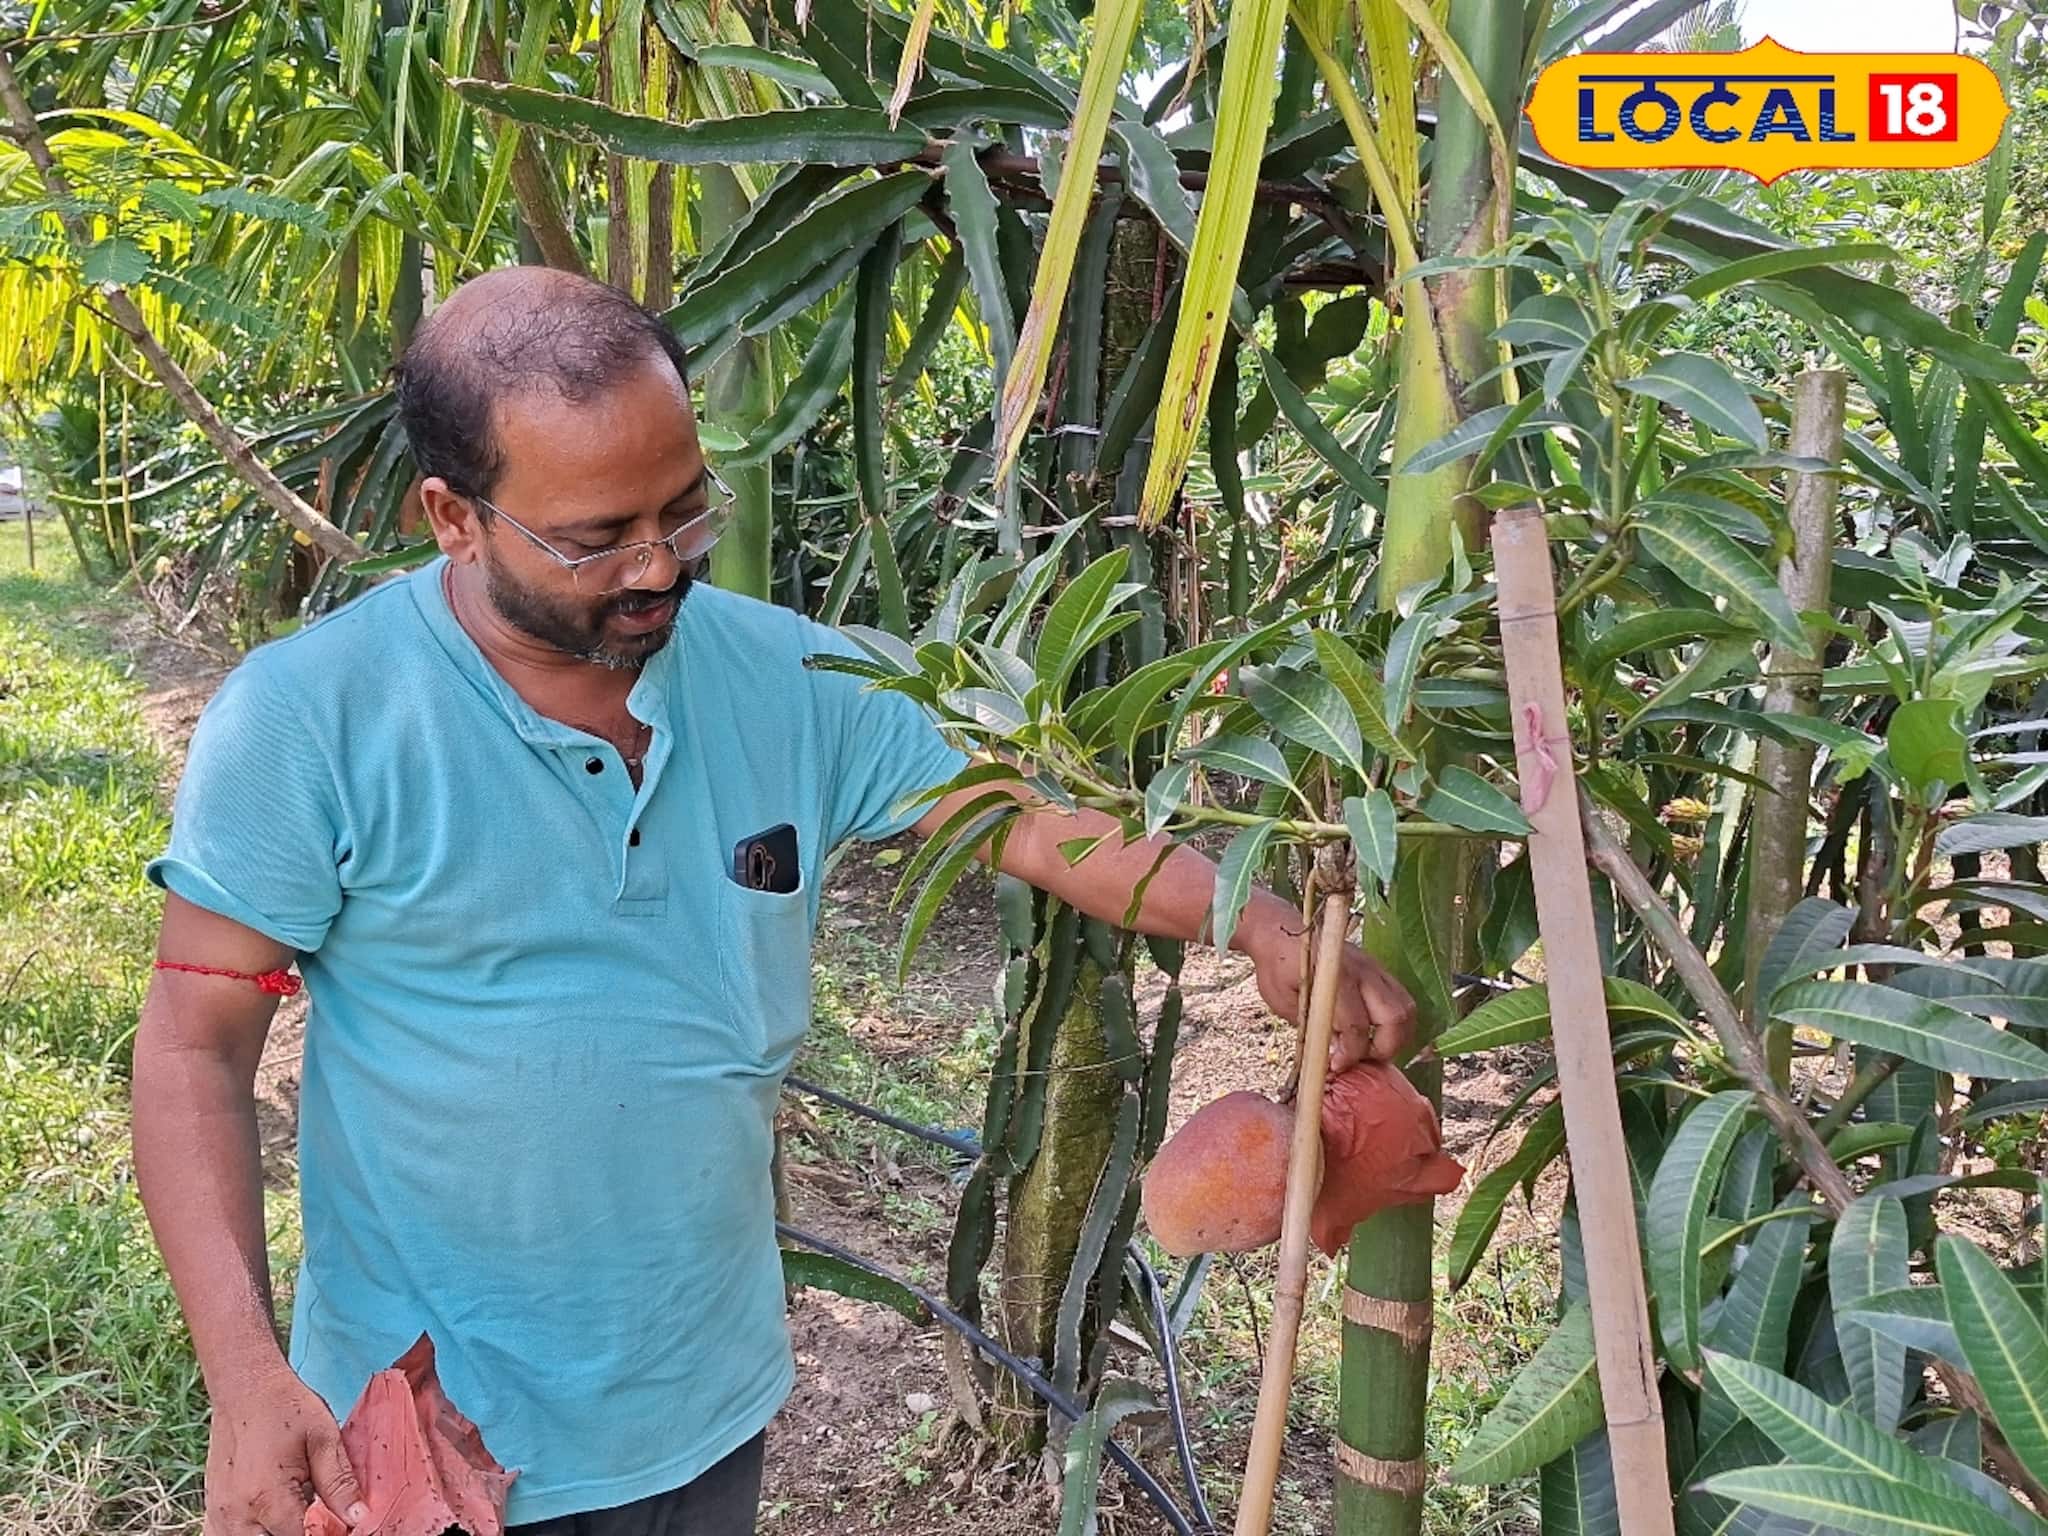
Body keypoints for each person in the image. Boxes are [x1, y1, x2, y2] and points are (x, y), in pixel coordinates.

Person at [132, 266, 1417, 1536]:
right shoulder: (309, 720)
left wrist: (1253, 916)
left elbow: (1029, 816)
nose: (655, 569)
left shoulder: (793, 679)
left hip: (699, 1402)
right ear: (451, 518)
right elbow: (195, 1047)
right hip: (417, 1429)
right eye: (594, 539)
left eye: (683, 512)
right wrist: (247, 1382)